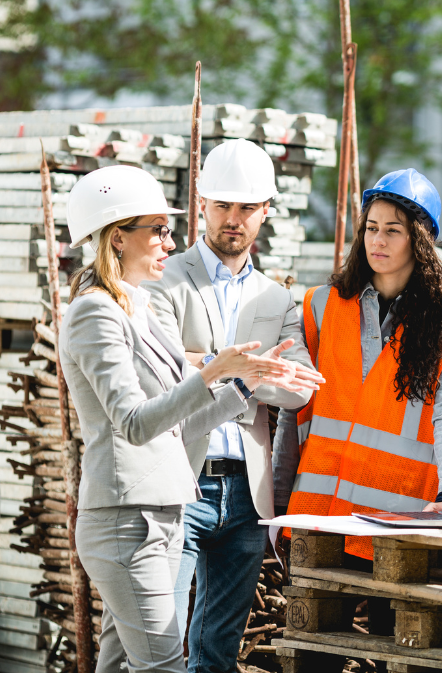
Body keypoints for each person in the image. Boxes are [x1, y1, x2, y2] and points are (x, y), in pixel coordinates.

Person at [60, 166, 309, 673]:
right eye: (158, 229)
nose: (170, 243)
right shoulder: (94, 313)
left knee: (118, 665)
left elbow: (176, 426)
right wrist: (214, 369)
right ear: (116, 238)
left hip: (160, 514)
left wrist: (243, 383)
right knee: (164, 666)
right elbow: (132, 423)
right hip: (128, 520)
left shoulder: (135, 309)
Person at [144, 140, 323, 673]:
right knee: (162, 641)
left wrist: (214, 366)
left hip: (247, 493)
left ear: (266, 211)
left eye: (246, 207)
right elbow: (156, 371)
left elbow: (299, 388)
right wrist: (245, 368)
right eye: (223, 205)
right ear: (202, 204)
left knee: (218, 650)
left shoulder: (276, 299)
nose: (233, 219)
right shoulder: (164, 280)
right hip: (179, 479)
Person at [279, 168, 442, 612]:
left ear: (422, 239)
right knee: (315, 655)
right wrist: (276, 508)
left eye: (393, 230)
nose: (378, 241)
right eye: (372, 228)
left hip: (395, 525)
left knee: (390, 649)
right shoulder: (321, 305)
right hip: (317, 516)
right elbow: (292, 412)